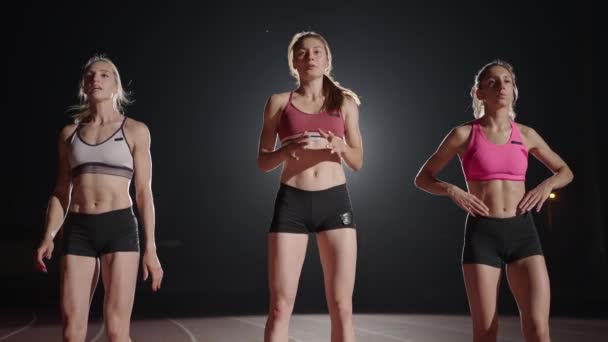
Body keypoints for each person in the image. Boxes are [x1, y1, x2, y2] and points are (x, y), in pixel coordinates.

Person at [414, 60, 573, 342]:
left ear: (514, 91)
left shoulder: (526, 135)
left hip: (523, 234)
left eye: (507, 81)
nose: (501, 86)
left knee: (539, 328)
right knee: (486, 332)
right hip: (482, 235)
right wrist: (453, 190)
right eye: (493, 82)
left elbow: (565, 172)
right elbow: (423, 178)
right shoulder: (463, 134)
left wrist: (545, 184)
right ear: (479, 93)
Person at [35, 55, 164, 342]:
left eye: (105, 75)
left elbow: (144, 192)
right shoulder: (69, 134)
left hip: (119, 227)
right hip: (78, 230)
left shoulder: (135, 131)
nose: (96, 79)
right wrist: (49, 235)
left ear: (116, 86)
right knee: (72, 333)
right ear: (83, 86)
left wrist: (151, 249)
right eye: (91, 75)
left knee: (117, 332)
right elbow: (60, 192)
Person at [257, 31, 363, 342]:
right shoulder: (278, 103)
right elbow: (263, 162)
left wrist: (340, 147)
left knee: (342, 306)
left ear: (328, 60)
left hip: (335, 204)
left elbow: (358, 161)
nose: (310, 57)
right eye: (302, 53)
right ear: (293, 62)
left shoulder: (345, 104)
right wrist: (283, 151)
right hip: (292, 203)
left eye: (317, 52)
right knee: (279, 306)